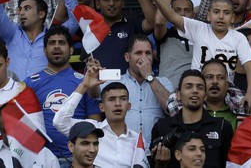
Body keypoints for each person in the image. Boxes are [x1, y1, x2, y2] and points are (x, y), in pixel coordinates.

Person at [144, 0, 251, 112]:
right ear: (208, 15)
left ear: (232, 17)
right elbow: (171, 16)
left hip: (225, 87)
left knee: (247, 109)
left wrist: (250, 93)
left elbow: (250, 67)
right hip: (197, 85)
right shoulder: (199, 28)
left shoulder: (238, 37)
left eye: (226, 13)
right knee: (173, 107)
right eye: (216, 12)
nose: (221, 16)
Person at [25, 26, 101, 163]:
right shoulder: (30, 83)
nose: (56, 46)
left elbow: (94, 123)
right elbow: (24, 124)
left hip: (77, 159)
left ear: (71, 50)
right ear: (44, 50)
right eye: (52, 43)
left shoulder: (85, 81)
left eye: (61, 42)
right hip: (42, 158)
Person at [53, 63, 140, 168]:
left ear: (129, 106)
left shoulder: (137, 139)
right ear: (101, 107)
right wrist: (84, 86)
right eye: (111, 99)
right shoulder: (91, 129)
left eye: (123, 99)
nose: (117, 104)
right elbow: (60, 122)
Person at [150, 70, 233, 168]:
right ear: (178, 95)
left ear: (205, 96)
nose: (195, 91)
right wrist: (160, 164)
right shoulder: (162, 126)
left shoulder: (222, 127)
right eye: (189, 87)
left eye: (200, 87)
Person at [111, 35, 172, 146]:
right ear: (127, 57)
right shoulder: (116, 82)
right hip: (123, 148)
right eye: (138, 53)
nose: (144, 58)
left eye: (148, 53)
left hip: (155, 149)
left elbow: (172, 109)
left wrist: (149, 76)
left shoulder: (164, 82)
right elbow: (95, 95)